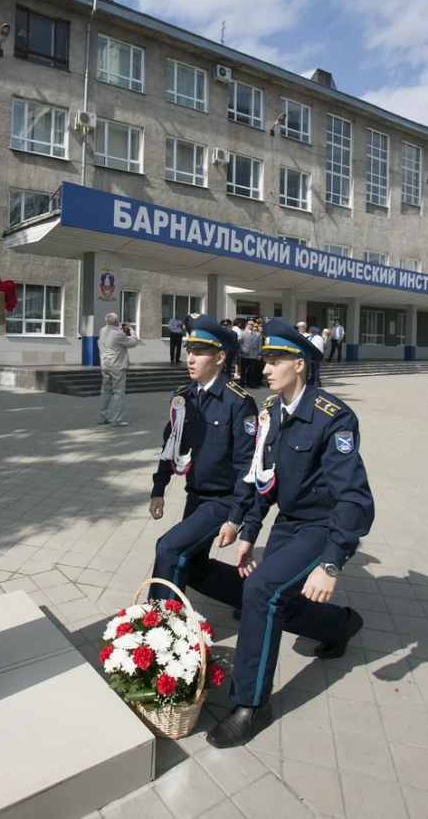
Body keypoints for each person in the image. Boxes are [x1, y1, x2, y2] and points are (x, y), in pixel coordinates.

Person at [204, 318, 374, 748]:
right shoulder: (271, 413)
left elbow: (355, 499)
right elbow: (263, 480)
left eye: (275, 360)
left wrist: (332, 562)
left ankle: (251, 704)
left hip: (325, 525)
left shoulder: (332, 417)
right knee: (277, 602)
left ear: (299, 365)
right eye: (264, 359)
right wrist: (247, 530)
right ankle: (339, 626)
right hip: (290, 523)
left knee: (262, 591)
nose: (266, 368)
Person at [147, 314, 258, 601]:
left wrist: (236, 518)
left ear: (220, 357)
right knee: (194, 567)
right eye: (188, 352)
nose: (190, 359)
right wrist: (158, 489)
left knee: (168, 548)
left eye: (199, 353)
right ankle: (254, 598)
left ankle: (159, 630)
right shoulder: (184, 397)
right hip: (195, 497)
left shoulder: (239, 402)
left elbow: (248, 465)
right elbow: (170, 446)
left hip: (223, 500)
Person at [98, 313, 139, 427]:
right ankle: (117, 420)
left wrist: (119, 330)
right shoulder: (118, 334)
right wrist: (132, 331)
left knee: (105, 392)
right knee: (118, 393)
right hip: (117, 367)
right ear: (116, 322)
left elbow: (114, 338)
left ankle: (103, 417)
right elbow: (133, 343)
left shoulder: (102, 331)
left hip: (105, 365)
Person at [239, 320, 262, 388]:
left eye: (252, 325)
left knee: (252, 370)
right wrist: (243, 349)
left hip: (253, 354)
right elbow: (239, 342)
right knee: (243, 370)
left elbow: (259, 345)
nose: (251, 326)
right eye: (249, 324)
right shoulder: (243, 333)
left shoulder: (257, 334)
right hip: (245, 353)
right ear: (247, 325)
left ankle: (251, 383)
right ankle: (242, 383)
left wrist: (259, 354)